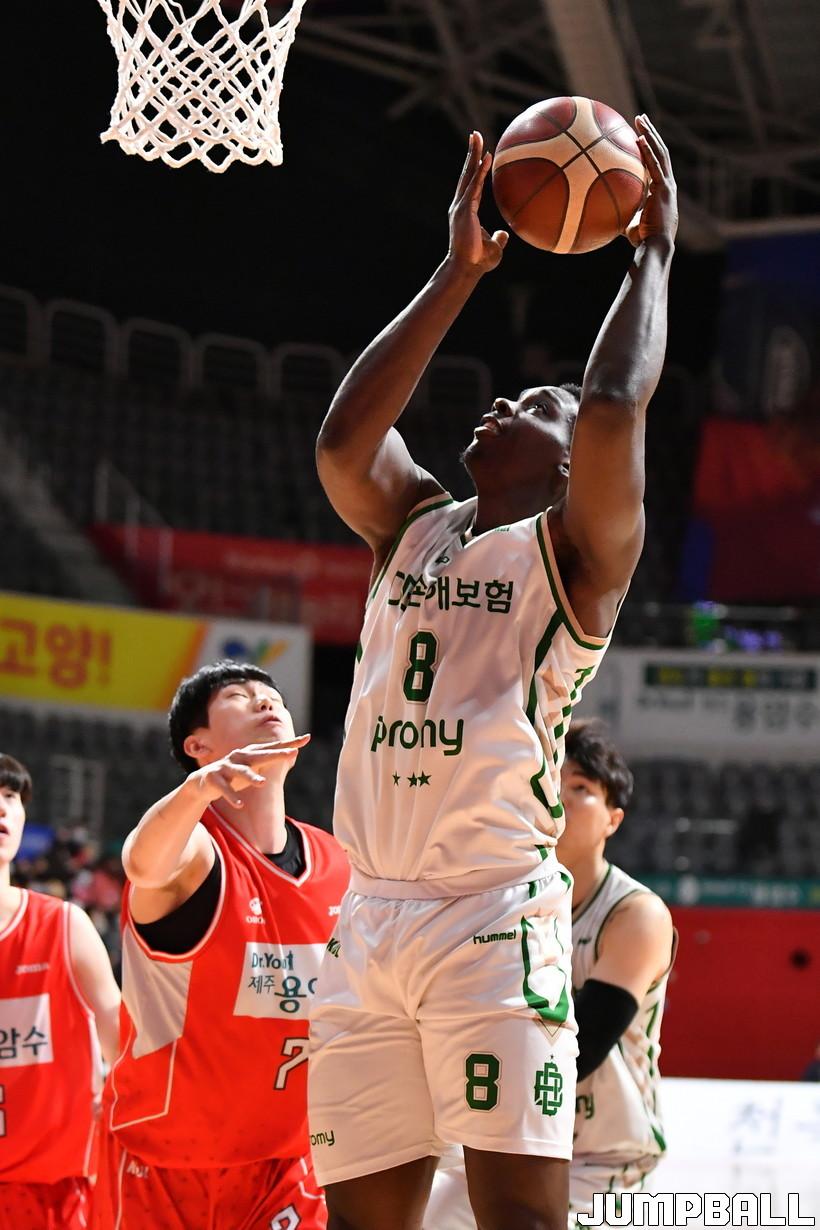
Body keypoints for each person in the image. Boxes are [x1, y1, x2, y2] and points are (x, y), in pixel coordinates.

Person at [310, 115, 678, 1230]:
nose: (509, 402)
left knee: (517, 1217)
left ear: (572, 467)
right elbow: (342, 443)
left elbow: (612, 405)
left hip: (489, 914)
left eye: (538, 406)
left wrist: (653, 257)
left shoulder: (579, 556)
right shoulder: (414, 523)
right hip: (369, 913)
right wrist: (457, 273)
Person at [92, 661, 349, 1230]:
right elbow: (143, 864)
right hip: (165, 1164)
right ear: (198, 746)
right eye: (239, 695)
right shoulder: (195, 854)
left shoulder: (338, 862)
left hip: (287, 1164)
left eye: (273, 695)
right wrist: (201, 789)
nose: (266, 702)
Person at [424, 719, 677, 1228]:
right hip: (514, 1145)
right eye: (551, 781)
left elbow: (580, 1052)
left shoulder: (635, 915)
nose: (559, 797)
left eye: (580, 787)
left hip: (602, 1164)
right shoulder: (502, 902)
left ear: (613, 819)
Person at [0, 752, 120, 1230]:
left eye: (11, 796)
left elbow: (125, 1044)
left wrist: (119, 1090)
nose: (2, 807)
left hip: (54, 1195)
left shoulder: (64, 926)